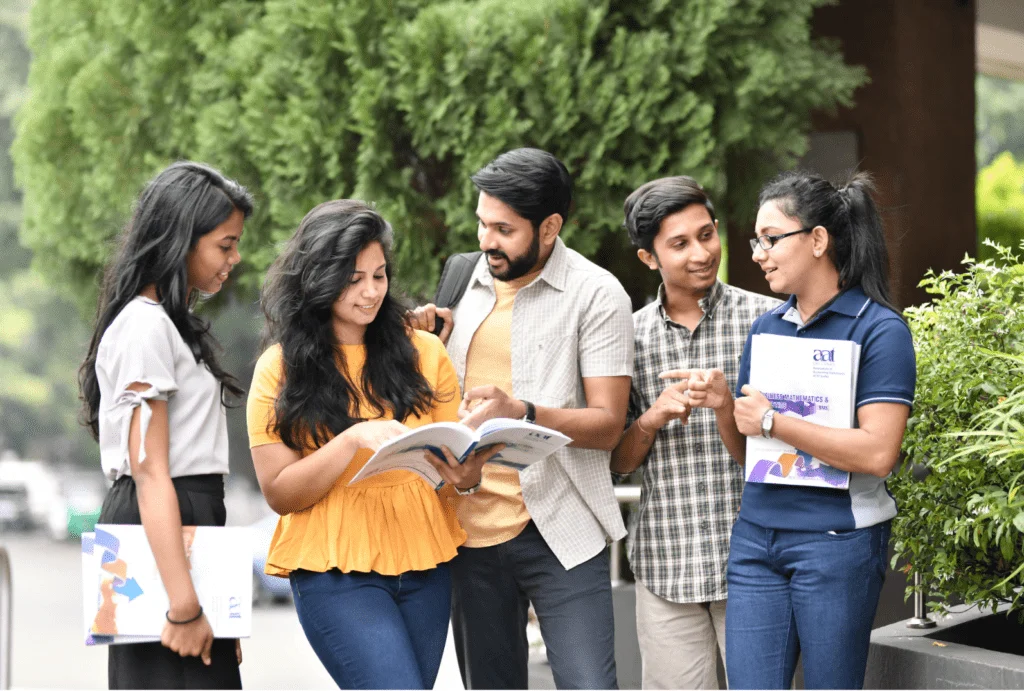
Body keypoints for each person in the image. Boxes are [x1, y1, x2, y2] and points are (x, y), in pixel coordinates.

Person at [245, 199, 500, 690]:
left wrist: (468, 475)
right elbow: (279, 492)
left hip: (425, 565)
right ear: (318, 277)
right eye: (353, 278)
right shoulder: (279, 369)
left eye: (379, 275)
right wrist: (352, 439)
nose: (370, 292)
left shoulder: (424, 352)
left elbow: (453, 467)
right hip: (334, 570)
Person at [409, 147, 634, 690]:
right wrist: (419, 345)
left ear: (550, 226)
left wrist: (522, 411)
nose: (487, 240)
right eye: (483, 223)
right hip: (468, 531)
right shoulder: (461, 279)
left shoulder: (597, 294)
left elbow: (608, 423)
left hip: (561, 529)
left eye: (504, 229)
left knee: (590, 685)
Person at [681, 171, 916, 689]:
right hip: (756, 539)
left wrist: (774, 420)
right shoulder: (766, 329)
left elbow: (878, 454)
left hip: (838, 542)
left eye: (771, 239)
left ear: (817, 240)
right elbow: (753, 456)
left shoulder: (880, 330)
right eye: (756, 241)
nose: (758, 253)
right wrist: (726, 407)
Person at [79, 161, 254, 689]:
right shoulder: (143, 326)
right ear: (182, 238)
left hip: (186, 523)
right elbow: (150, 470)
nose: (235, 259)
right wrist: (182, 604)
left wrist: (211, 599)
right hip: (164, 521)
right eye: (225, 245)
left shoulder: (168, 325)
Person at [610, 176, 780, 690]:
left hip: (755, 563)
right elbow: (618, 461)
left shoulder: (768, 319)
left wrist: (727, 406)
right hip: (666, 564)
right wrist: (650, 419)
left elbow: (780, 453)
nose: (701, 253)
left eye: (706, 235)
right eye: (679, 244)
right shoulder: (628, 336)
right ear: (648, 258)